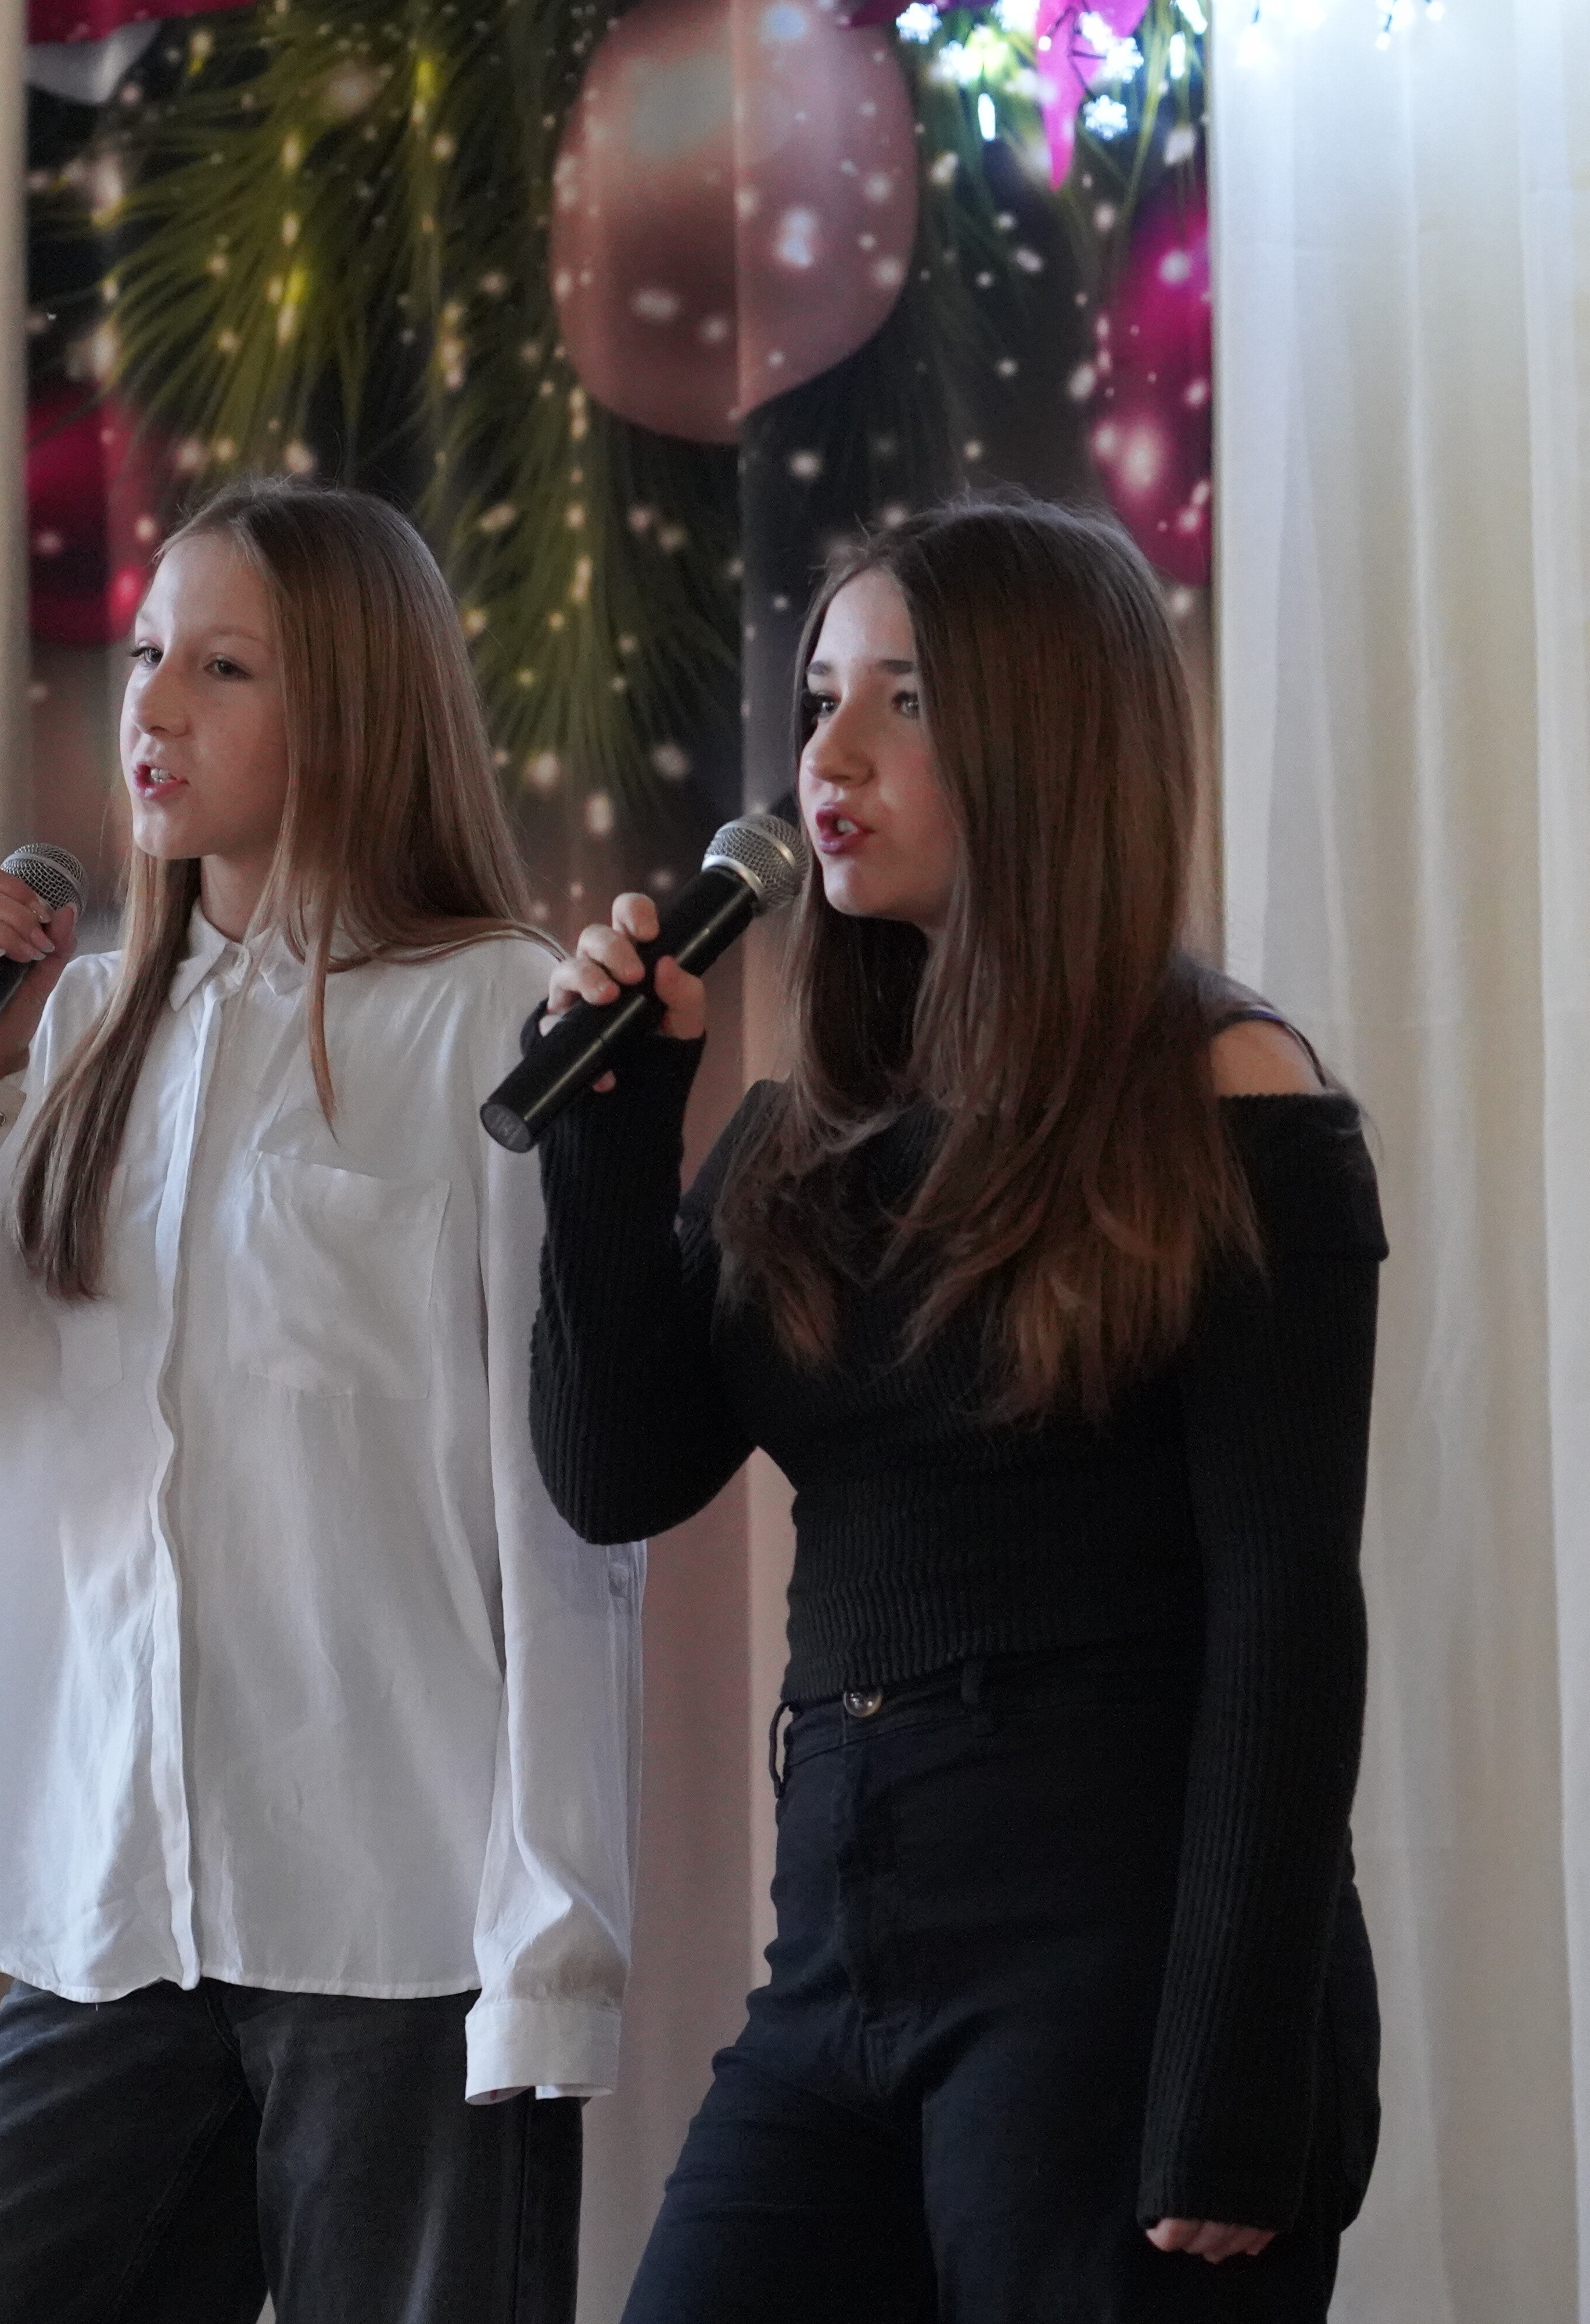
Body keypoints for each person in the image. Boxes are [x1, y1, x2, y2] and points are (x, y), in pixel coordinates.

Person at [529, 496, 1385, 2321]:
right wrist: (611, 1144)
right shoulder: (802, 1134)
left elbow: (1290, 1601)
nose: (829, 756)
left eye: (903, 701)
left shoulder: (1224, 1088)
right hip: (840, 1949)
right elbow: (616, 1475)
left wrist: (1234, 2086)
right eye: (822, 697)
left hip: (1114, 1962)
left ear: (1046, 732)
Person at [0, 477, 636, 2324]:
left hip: (406, 1934)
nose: (155, 709)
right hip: (107, 1920)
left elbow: (566, 1521)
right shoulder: (71, 1032)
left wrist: (553, 1951)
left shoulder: (496, 1014)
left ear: (352, 707)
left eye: (225, 668)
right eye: (145, 655)